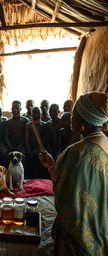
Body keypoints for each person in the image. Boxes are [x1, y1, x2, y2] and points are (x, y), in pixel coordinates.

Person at [39, 92, 108, 255]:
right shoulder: (105, 142)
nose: (70, 116)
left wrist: (52, 168)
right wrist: (51, 165)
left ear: (83, 119)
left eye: (74, 113)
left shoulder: (77, 152)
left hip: (79, 237)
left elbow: (63, 191)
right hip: (103, 230)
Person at [25, 107, 48, 179]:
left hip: (41, 149)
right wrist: (29, 150)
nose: (36, 115)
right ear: (31, 114)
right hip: (30, 150)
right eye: (34, 113)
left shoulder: (44, 125)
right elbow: (26, 139)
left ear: (41, 114)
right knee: (31, 167)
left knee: (40, 167)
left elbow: (44, 139)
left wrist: (37, 149)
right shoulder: (28, 125)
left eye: (38, 113)